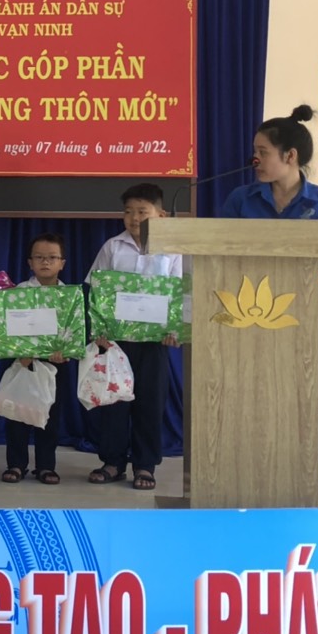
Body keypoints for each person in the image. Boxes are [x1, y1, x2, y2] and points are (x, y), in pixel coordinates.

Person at [220, 104, 318, 480]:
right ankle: (244, 480)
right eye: (254, 151)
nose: (254, 160)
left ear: (290, 156)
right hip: (245, 307)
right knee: (248, 397)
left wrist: (313, 239)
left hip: (306, 307)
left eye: (262, 152)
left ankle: (305, 486)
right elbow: (219, 251)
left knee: (306, 400)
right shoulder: (241, 199)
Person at [87, 183, 182, 490]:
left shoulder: (174, 250)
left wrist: (175, 330)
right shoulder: (112, 247)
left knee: (150, 404)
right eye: (128, 212)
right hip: (117, 342)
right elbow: (96, 290)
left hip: (154, 342)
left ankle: (145, 465)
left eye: (142, 211)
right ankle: (112, 462)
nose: (134, 218)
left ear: (161, 215)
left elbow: (181, 293)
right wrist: (98, 331)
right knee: (114, 402)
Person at [2, 233, 74, 485]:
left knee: (50, 418)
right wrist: (20, 352)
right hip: (21, 362)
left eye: (52, 257)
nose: (45, 262)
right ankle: (16, 464)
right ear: (30, 263)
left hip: (55, 364)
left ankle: (46, 466)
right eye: (39, 257)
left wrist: (64, 350)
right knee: (17, 415)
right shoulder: (18, 293)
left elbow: (73, 330)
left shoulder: (70, 296)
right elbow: (7, 328)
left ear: (62, 263)